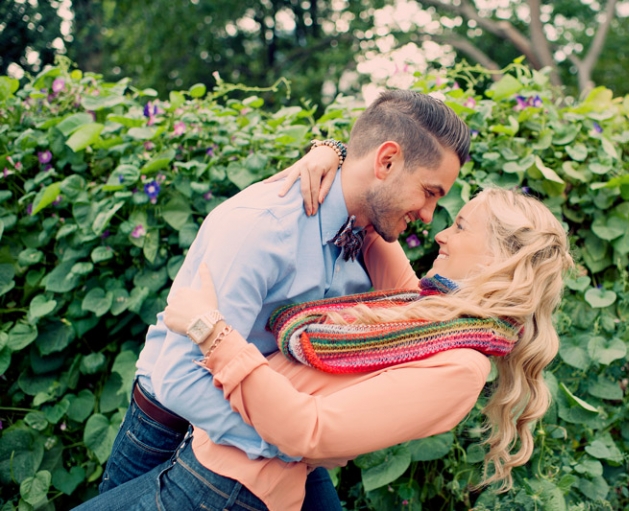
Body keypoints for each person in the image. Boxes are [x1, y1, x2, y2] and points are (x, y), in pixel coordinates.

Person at [77, 188, 573, 510]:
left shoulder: (460, 363)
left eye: (462, 225)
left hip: (228, 489)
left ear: (500, 257)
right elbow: (370, 209)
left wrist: (213, 332)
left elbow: (311, 433)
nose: (441, 232)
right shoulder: (423, 310)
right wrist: (327, 155)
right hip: (218, 462)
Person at [97, 89, 470, 509]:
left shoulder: (371, 234)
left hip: (272, 431)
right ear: (386, 162)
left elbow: (412, 307)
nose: (428, 215)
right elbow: (181, 378)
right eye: (430, 192)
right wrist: (296, 443)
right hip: (172, 426)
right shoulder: (262, 229)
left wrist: (333, 149)